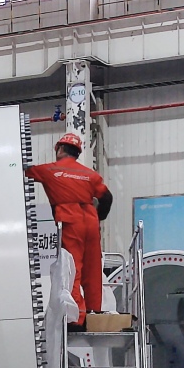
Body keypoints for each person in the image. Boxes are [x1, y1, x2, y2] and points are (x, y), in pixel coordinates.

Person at [25, 133, 113, 326]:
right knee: (93, 271)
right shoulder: (90, 174)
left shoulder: (50, 170)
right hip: (90, 219)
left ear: (60, 149)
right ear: (78, 152)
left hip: (69, 218)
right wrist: (99, 217)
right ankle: (94, 315)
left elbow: (25, 171)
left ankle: (77, 319)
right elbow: (107, 198)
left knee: (72, 269)